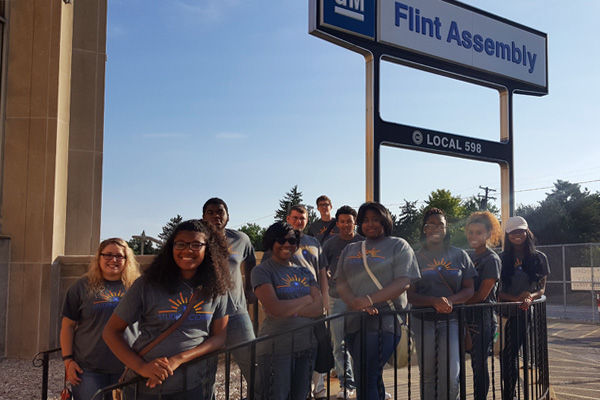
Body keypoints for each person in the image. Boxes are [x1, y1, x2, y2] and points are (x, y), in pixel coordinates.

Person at [103, 220, 231, 399]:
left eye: (196, 245)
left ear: (207, 249)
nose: (187, 250)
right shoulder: (147, 285)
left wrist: (178, 359)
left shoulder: (216, 288)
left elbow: (219, 338)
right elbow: (110, 332)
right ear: (171, 247)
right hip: (144, 387)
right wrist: (141, 367)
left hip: (192, 385)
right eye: (180, 244)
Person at [336, 202, 420, 400]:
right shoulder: (351, 248)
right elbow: (340, 282)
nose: (370, 224)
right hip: (355, 321)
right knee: (369, 375)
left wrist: (368, 299)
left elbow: (403, 281)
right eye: (365, 220)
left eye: (375, 219)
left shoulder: (398, 245)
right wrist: (355, 303)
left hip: (385, 320)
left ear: (385, 220)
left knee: (366, 377)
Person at [407, 207, 476, 400]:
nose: (436, 228)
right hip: (423, 320)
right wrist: (433, 301)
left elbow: (469, 289)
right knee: (428, 374)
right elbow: (409, 295)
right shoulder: (414, 257)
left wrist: (449, 301)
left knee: (451, 374)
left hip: (452, 320)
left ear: (446, 229)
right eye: (431, 225)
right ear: (424, 229)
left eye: (441, 225)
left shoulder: (460, 255)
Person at [251, 221, 324, 400]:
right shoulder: (261, 271)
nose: (287, 245)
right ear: (271, 242)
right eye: (280, 240)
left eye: (292, 241)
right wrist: (307, 300)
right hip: (277, 348)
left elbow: (319, 308)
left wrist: (290, 309)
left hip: (307, 346)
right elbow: (273, 308)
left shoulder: (305, 272)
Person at [60, 238, 141, 400]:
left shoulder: (138, 286)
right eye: (108, 255)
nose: (114, 260)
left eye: (119, 256)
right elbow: (68, 326)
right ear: (99, 257)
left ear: (127, 260)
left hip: (128, 367)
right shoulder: (81, 287)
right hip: (88, 369)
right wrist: (68, 361)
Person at [202, 198, 257, 395]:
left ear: (227, 216)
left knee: (252, 363)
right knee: (206, 372)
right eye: (210, 212)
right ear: (203, 216)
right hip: (203, 316)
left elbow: (251, 260)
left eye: (220, 212)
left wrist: (249, 287)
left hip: (236, 312)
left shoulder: (241, 239)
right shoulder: (195, 239)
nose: (216, 216)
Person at [499, 216, 550, 400]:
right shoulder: (501, 258)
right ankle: (509, 393)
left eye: (520, 230)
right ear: (507, 234)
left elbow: (541, 289)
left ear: (527, 232)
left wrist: (529, 296)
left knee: (509, 354)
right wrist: (514, 299)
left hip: (523, 312)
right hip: (502, 313)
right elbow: (496, 291)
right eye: (513, 231)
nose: (517, 234)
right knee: (506, 355)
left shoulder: (539, 257)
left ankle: (509, 395)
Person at [321, 205, 363, 399]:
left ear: (355, 222)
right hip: (335, 299)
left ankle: (368, 383)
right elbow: (322, 270)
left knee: (361, 343)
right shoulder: (329, 244)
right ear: (337, 223)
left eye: (350, 221)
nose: (346, 225)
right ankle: (347, 384)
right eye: (342, 221)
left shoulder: (363, 242)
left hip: (359, 300)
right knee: (339, 344)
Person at [464, 211, 502, 400]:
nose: (474, 236)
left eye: (479, 232)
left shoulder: (491, 259)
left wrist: (457, 303)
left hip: (482, 319)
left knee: (479, 365)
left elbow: (482, 294)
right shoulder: (468, 257)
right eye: (471, 232)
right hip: (466, 318)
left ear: (488, 234)